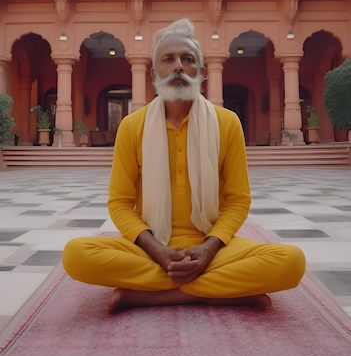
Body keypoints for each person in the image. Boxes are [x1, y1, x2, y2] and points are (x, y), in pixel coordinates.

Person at [62, 18, 306, 313]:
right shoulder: (132, 126)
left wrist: (207, 248)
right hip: (150, 247)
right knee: (77, 255)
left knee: (291, 261)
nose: (178, 66)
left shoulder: (226, 123)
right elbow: (120, 203)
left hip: (212, 246)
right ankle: (221, 292)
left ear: (201, 72)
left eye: (187, 59)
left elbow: (238, 200)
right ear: (155, 72)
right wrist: (158, 251)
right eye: (168, 59)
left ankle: (145, 295)